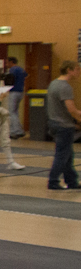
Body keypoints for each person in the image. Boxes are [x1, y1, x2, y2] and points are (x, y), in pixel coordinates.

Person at [47, 61, 78, 191]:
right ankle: (53, 181)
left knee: (68, 154)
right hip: (63, 125)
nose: (78, 72)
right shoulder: (65, 87)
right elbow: (71, 109)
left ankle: (72, 181)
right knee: (62, 155)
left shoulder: (53, 83)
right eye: (76, 69)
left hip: (54, 122)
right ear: (69, 70)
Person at [0, 79, 24, 172]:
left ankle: (11, 162)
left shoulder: (4, 88)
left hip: (4, 117)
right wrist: (1, 99)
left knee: (6, 140)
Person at [3, 56, 26, 138]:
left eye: (7, 62)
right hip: (20, 92)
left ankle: (15, 131)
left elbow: (9, 80)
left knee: (11, 112)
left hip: (14, 92)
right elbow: (26, 76)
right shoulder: (21, 69)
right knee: (15, 112)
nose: (6, 65)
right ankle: (19, 129)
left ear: (11, 62)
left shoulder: (12, 70)